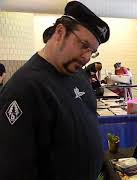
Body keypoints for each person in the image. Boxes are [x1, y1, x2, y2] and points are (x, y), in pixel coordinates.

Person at [0, 1, 110, 180]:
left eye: (92, 51)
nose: (87, 57)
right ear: (60, 32)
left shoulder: (79, 74)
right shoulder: (24, 88)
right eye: (83, 45)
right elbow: (14, 169)